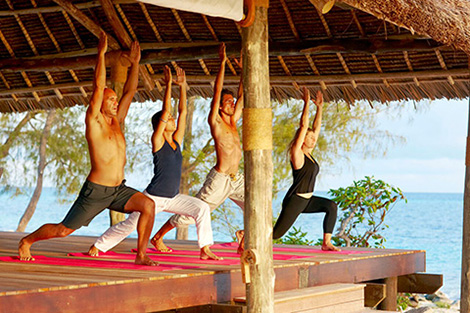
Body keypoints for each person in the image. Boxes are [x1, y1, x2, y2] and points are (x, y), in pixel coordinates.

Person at [18, 33, 157, 266]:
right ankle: (27, 240)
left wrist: (135, 64)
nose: (115, 102)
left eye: (115, 99)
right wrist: (101, 55)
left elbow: (130, 92)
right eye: (111, 99)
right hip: (96, 192)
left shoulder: (118, 122)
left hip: (118, 190)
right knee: (63, 230)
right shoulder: (94, 120)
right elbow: (98, 85)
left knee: (148, 206)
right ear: (99, 103)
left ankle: (141, 254)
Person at [87, 66, 221, 260]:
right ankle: (98, 246)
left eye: (173, 119)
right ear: (162, 123)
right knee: (130, 224)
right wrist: (168, 85)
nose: (174, 120)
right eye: (169, 119)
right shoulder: (157, 140)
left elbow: (183, 112)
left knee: (201, 208)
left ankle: (205, 248)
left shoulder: (176, 141)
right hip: (153, 198)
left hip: (173, 197)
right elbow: (167, 111)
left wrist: (183, 87)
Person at [153, 43, 246, 254]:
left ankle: (243, 237)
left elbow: (243, 95)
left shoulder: (234, 121)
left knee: (257, 204)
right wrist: (222, 63)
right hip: (220, 180)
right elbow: (217, 92)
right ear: (219, 106)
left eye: (233, 102)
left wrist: (243, 71)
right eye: (228, 102)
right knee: (192, 213)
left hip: (236, 178)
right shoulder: (216, 121)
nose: (232, 104)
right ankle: (158, 236)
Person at [272, 87, 340, 251]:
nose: (313, 139)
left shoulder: (309, 155)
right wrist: (306, 105)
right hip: (295, 200)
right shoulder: (297, 154)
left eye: (313, 138)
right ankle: (245, 234)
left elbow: (316, 128)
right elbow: (304, 126)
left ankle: (326, 243)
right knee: (275, 235)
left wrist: (320, 108)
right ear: (302, 140)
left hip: (308, 200)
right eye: (309, 138)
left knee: (331, 206)